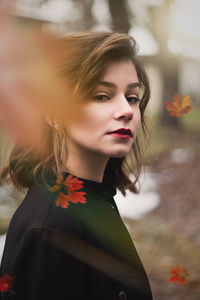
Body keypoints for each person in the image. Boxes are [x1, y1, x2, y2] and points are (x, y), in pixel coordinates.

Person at [0, 31, 153, 300]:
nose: (127, 110)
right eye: (102, 96)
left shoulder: (93, 198)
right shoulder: (51, 230)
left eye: (132, 98)